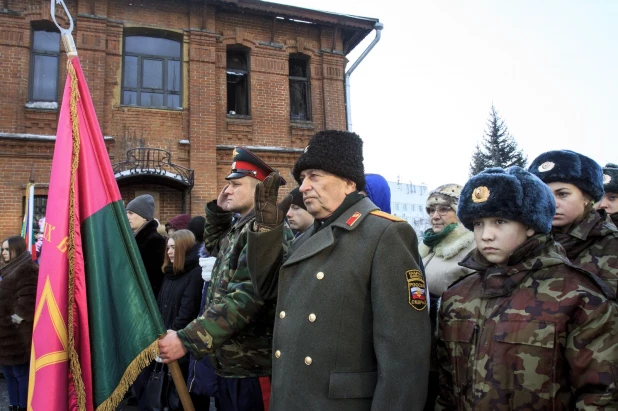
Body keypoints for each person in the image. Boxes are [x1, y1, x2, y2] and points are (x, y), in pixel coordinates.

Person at [246, 130, 430, 410]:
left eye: (314, 176)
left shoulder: (386, 234)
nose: (303, 187)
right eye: (302, 178)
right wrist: (266, 229)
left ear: (347, 181)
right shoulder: (308, 238)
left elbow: (404, 357)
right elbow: (268, 289)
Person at [435, 166, 618, 409]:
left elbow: (601, 395)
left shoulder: (580, 296)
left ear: (531, 225)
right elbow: (446, 387)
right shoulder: (457, 296)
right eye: (478, 223)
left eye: (500, 221)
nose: (486, 235)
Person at [158, 146, 294, 411]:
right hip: (231, 365)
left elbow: (246, 298)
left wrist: (188, 339)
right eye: (226, 185)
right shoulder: (241, 227)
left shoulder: (266, 232)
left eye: (236, 184)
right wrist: (219, 213)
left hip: (253, 369)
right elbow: (213, 244)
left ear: (258, 189)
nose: (227, 190)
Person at [528, 150, 618, 294]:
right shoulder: (524, 243)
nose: (552, 203)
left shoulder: (612, 245)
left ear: (587, 197)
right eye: (544, 194)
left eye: (562, 194)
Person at [418, 184, 474, 411]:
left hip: (451, 341)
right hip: (424, 338)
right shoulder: (429, 244)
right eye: (431, 211)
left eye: (443, 209)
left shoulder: (471, 246)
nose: (435, 216)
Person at [0, 236, 39, 411]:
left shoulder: (26, 269)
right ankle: (13, 405)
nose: (3, 253)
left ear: (17, 249)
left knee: (20, 373)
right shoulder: (7, 269)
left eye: (7, 249)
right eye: (2, 249)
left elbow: (27, 302)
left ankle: (23, 406)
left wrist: (12, 321)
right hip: (4, 332)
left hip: (17, 333)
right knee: (8, 372)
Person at [126, 194, 167, 297]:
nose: (127, 216)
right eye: (126, 213)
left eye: (131, 213)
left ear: (144, 217)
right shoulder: (132, 238)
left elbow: (155, 278)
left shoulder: (155, 240)